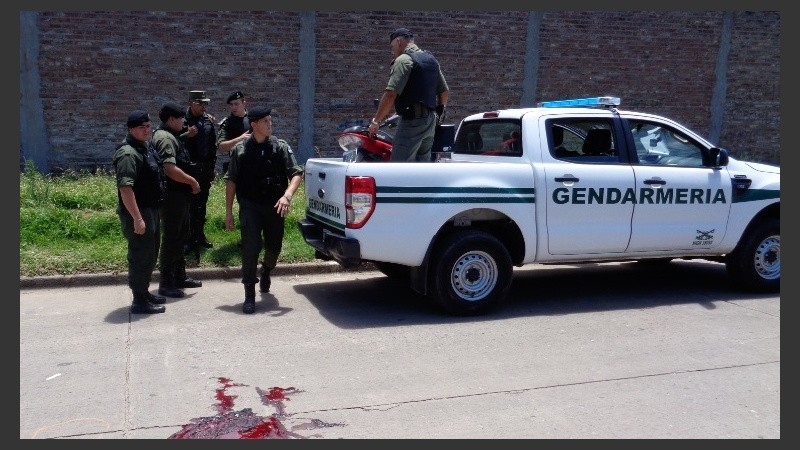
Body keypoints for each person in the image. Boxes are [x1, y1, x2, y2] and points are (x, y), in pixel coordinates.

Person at [223, 106, 303, 314]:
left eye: (270, 120)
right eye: (265, 121)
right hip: (250, 206)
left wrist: (287, 195)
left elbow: (296, 173)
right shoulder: (240, 150)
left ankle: (266, 270)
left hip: (275, 206)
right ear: (254, 125)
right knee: (250, 248)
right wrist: (229, 211)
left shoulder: (280, 147)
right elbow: (231, 180)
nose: (270, 124)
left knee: (274, 246)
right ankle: (249, 293)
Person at [112, 111, 167, 314]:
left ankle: (144, 292)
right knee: (140, 255)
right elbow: (125, 188)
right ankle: (139, 301)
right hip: (139, 211)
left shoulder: (144, 147)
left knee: (150, 253)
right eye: (141, 127)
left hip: (151, 209)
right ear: (130, 129)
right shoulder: (128, 153)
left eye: (148, 126)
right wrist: (137, 218)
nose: (146, 130)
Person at [368, 27, 449, 162]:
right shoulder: (431, 60)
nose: (392, 51)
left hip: (412, 122)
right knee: (422, 167)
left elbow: (390, 94)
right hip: (430, 123)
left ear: (399, 42)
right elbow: (444, 91)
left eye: (392, 47)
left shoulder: (404, 60)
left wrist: (376, 121)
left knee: (400, 167)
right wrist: (439, 115)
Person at [152, 102, 202, 298]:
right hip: (172, 195)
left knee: (181, 235)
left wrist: (186, 134)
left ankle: (179, 276)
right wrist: (192, 181)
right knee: (172, 238)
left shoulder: (167, 135)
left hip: (179, 195)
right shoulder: (165, 138)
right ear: (171, 119)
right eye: (181, 119)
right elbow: (169, 169)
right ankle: (166, 283)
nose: (183, 122)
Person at [182, 90, 218, 254]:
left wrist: (212, 168)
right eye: (200, 103)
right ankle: (187, 239)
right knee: (188, 206)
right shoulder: (182, 121)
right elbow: (173, 143)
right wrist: (186, 135)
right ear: (190, 103)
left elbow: (212, 147)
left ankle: (199, 235)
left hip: (204, 170)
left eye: (206, 103)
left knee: (201, 205)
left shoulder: (208, 120)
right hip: (187, 171)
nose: (204, 106)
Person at [216, 90, 251, 174]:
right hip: (237, 167)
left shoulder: (254, 119)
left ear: (244, 104)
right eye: (231, 105)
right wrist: (240, 139)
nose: (233, 107)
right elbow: (221, 147)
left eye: (236, 104)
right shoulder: (227, 123)